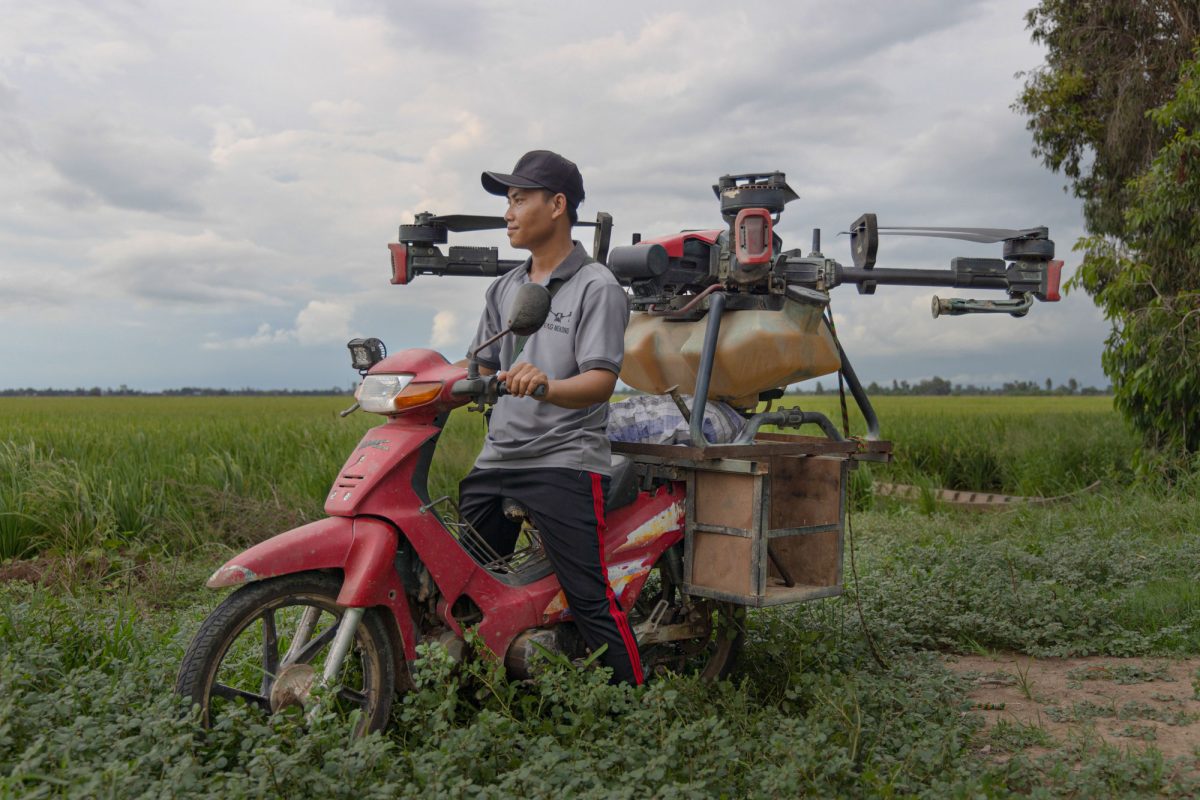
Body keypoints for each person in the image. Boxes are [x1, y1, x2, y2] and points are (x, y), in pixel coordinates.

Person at [457, 150, 641, 686]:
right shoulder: (504, 287)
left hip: (563, 460)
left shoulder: (596, 286)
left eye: (519, 199)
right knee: (467, 588)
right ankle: (476, 689)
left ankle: (632, 706)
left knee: (588, 595)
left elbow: (602, 380)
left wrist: (547, 384)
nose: (508, 213)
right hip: (498, 459)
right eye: (507, 202)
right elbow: (482, 362)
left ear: (557, 205)